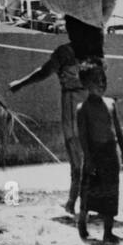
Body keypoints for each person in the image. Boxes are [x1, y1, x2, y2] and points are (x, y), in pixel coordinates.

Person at [9, 39, 85, 215]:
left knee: (76, 155)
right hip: (91, 102)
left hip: (74, 104)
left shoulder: (66, 51)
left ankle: (73, 202)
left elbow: (44, 71)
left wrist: (20, 83)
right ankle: (82, 202)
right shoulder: (95, 49)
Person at [75, 61, 123, 244]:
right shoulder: (83, 109)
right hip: (94, 155)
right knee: (89, 192)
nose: (101, 83)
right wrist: (88, 159)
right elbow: (83, 137)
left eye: (103, 79)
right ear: (85, 84)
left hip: (110, 154)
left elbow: (118, 130)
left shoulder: (111, 103)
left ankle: (108, 232)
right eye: (96, 80)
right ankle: (82, 225)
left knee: (111, 192)